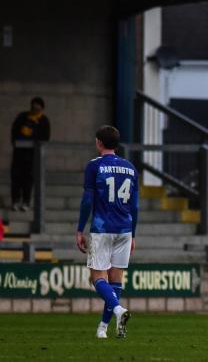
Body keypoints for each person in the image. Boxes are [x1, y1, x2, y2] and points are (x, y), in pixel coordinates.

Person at [75, 125, 136, 339]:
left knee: (97, 278)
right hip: (125, 229)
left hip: (102, 228)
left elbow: (87, 200)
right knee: (116, 280)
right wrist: (134, 234)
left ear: (99, 142)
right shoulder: (130, 168)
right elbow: (135, 206)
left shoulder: (94, 166)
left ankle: (118, 310)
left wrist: (80, 229)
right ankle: (104, 328)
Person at [10, 97, 50, 211]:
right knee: (16, 177)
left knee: (28, 178)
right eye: (33, 107)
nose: (35, 110)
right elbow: (14, 130)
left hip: (33, 155)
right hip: (19, 153)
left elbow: (45, 137)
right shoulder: (23, 117)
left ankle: (26, 201)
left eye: (38, 108)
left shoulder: (43, 120)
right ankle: (15, 200)